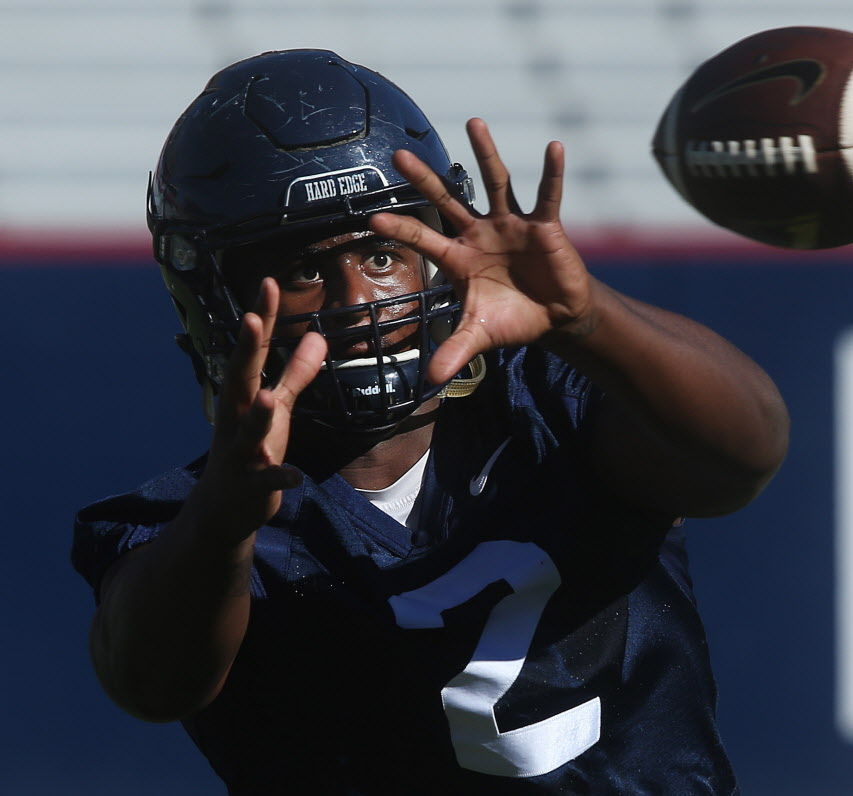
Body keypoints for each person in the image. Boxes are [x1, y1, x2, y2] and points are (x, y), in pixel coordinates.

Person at [73, 49, 789, 794]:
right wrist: (222, 524)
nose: (358, 302)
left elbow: (747, 454)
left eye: (384, 253)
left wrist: (588, 320)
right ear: (215, 300)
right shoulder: (195, 523)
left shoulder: (555, 409)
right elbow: (152, 685)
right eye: (305, 272)